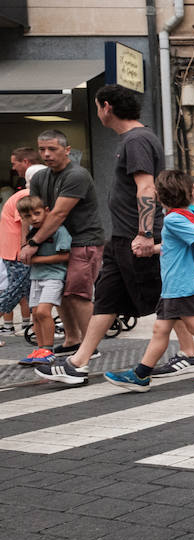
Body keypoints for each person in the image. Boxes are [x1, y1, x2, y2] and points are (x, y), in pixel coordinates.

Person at [36, 86, 167, 387]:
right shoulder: (134, 139)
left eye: (97, 107)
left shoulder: (136, 140)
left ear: (107, 107)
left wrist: (145, 234)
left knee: (166, 300)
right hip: (121, 237)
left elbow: (147, 188)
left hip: (136, 238)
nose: (98, 113)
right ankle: (77, 363)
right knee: (106, 298)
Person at [104, 170, 194, 392]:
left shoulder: (173, 218)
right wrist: (151, 250)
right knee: (160, 329)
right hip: (174, 287)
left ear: (159, 195)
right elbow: (174, 246)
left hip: (180, 286)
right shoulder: (184, 215)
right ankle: (141, 375)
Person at [24, 129, 104, 373]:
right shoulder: (39, 178)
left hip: (84, 240)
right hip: (54, 241)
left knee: (78, 294)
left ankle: (90, 347)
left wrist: (35, 242)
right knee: (60, 291)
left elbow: (59, 213)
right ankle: (72, 340)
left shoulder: (77, 175)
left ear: (67, 150)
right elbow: (31, 212)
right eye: (42, 149)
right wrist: (25, 243)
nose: (46, 154)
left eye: (52, 149)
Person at [15, 195, 68, 368]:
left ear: (46, 211)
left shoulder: (59, 230)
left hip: (54, 276)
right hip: (36, 277)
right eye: (28, 216)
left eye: (37, 213)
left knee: (44, 312)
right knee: (36, 314)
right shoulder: (32, 230)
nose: (34, 218)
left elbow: (65, 255)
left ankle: (48, 350)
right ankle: (40, 349)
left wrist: (35, 261)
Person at [0, 149, 39, 337]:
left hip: (13, 250)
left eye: (15, 163)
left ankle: (35, 326)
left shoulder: (28, 192)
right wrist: (25, 246)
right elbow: (25, 219)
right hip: (16, 251)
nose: (13, 167)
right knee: (14, 291)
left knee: (27, 289)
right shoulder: (27, 195)